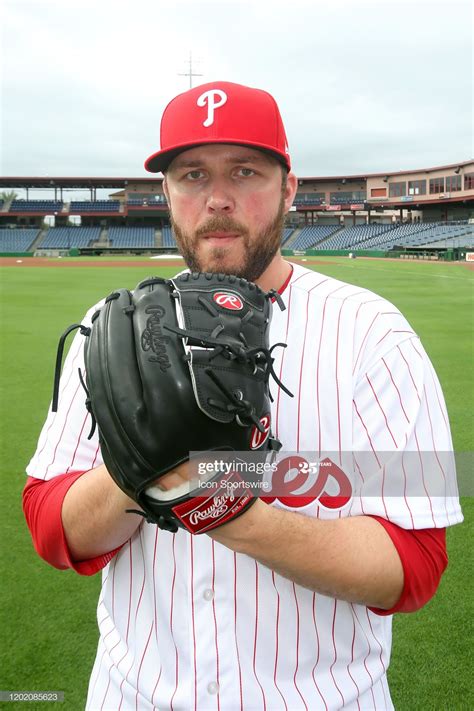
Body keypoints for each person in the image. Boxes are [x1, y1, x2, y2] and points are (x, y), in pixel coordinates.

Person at [23, 81, 462, 711]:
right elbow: (50, 525)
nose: (218, 199)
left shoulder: (374, 335)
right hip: (133, 696)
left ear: (288, 187)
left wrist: (230, 510)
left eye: (246, 171)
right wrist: (140, 465)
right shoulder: (108, 329)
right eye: (192, 174)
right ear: (167, 192)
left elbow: (415, 562)